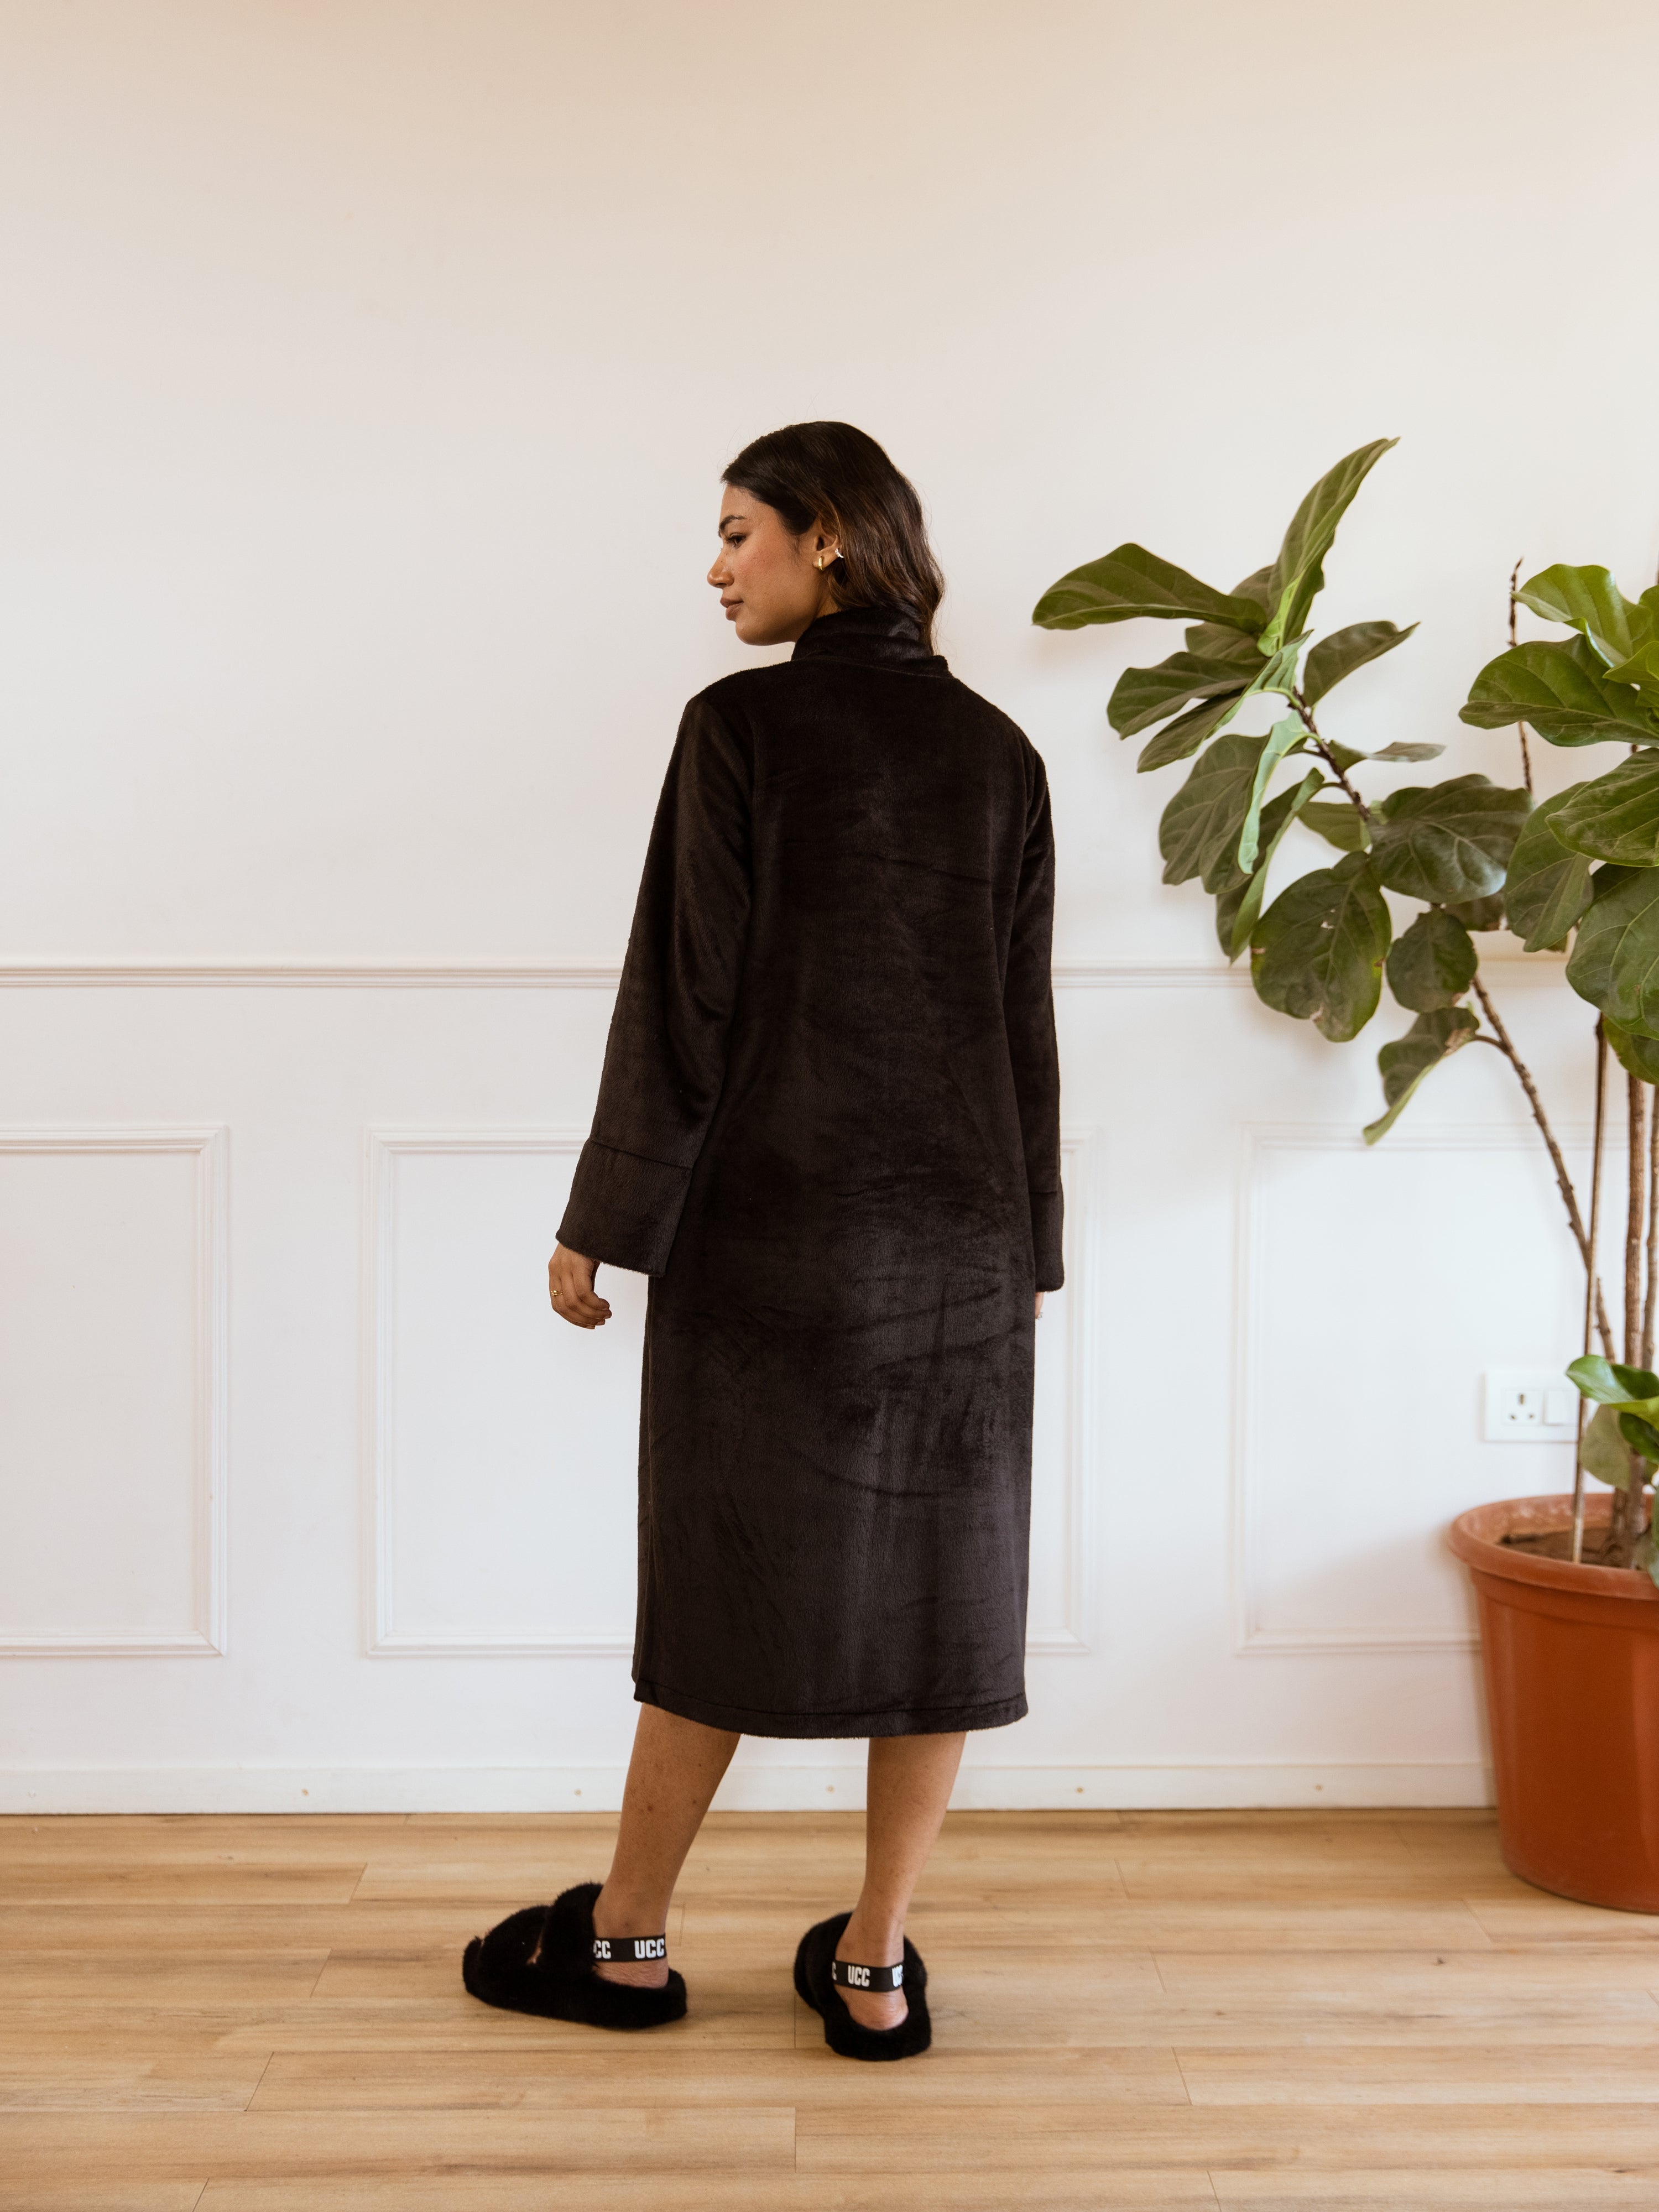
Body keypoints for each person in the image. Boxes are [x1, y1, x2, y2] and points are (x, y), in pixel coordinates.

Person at [462, 421, 1062, 2061]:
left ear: (830, 538)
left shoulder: (738, 728)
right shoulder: (1002, 754)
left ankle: (626, 1944)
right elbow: (1022, 1032)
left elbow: (686, 996)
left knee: (722, 1584)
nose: (717, 567)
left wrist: (604, 1219)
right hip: (961, 1245)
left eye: (740, 532)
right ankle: (874, 1967)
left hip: (769, 1237)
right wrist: (1029, 1251)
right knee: (941, 1604)